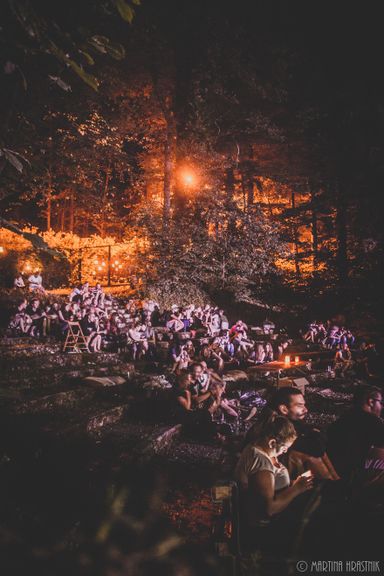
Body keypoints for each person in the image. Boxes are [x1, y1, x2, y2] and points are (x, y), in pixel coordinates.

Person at [235, 414, 314, 552]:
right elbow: (268, 509)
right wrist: (296, 489)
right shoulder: (261, 464)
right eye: (285, 448)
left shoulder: (257, 448)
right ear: (272, 443)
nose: (286, 451)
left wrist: (293, 485)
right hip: (266, 528)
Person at [252, 387, 339, 480]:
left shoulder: (290, 420)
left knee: (316, 451)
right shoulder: (275, 425)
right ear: (284, 409)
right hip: (270, 466)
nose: (305, 410)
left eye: (304, 405)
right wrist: (316, 437)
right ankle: (330, 483)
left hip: (283, 458)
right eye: (299, 405)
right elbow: (313, 448)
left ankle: (334, 480)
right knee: (310, 456)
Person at [327, 385, 384, 481]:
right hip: (353, 473)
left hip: (337, 469)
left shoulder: (346, 416)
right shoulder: (372, 421)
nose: (382, 407)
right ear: (371, 402)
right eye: (381, 402)